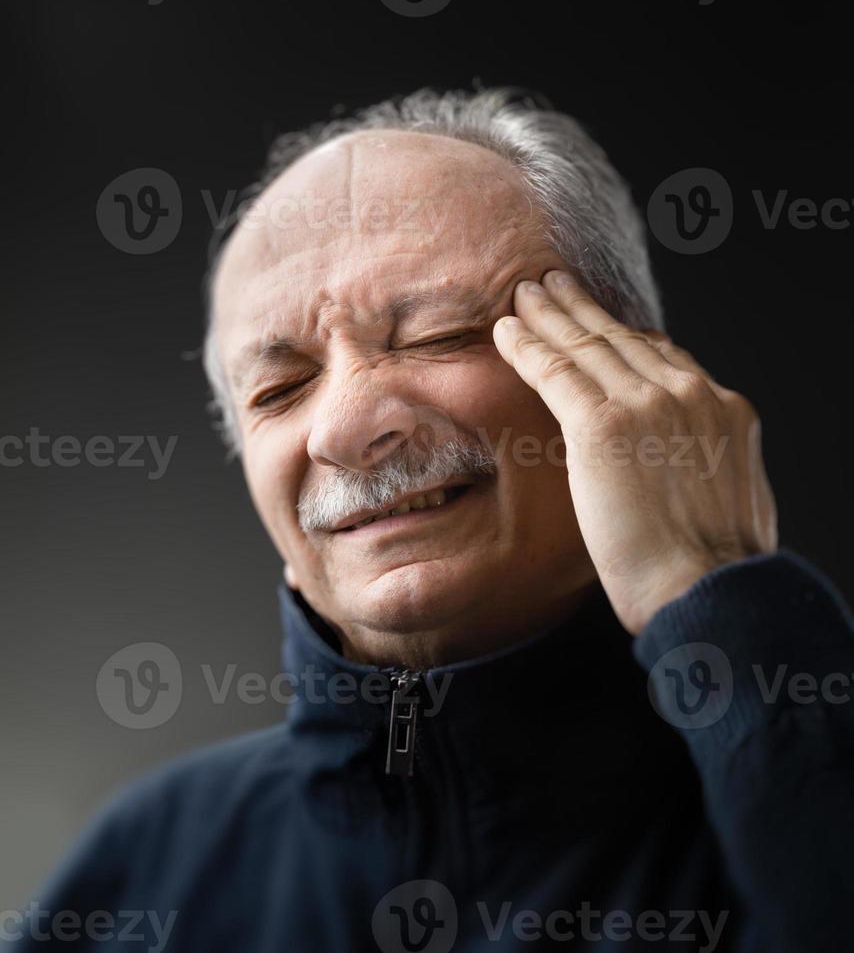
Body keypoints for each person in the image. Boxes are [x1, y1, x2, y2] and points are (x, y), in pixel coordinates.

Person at [8, 87, 853, 952]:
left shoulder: (800, 778)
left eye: (439, 334)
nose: (344, 429)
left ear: (636, 382)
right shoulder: (146, 868)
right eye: (279, 389)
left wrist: (715, 598)